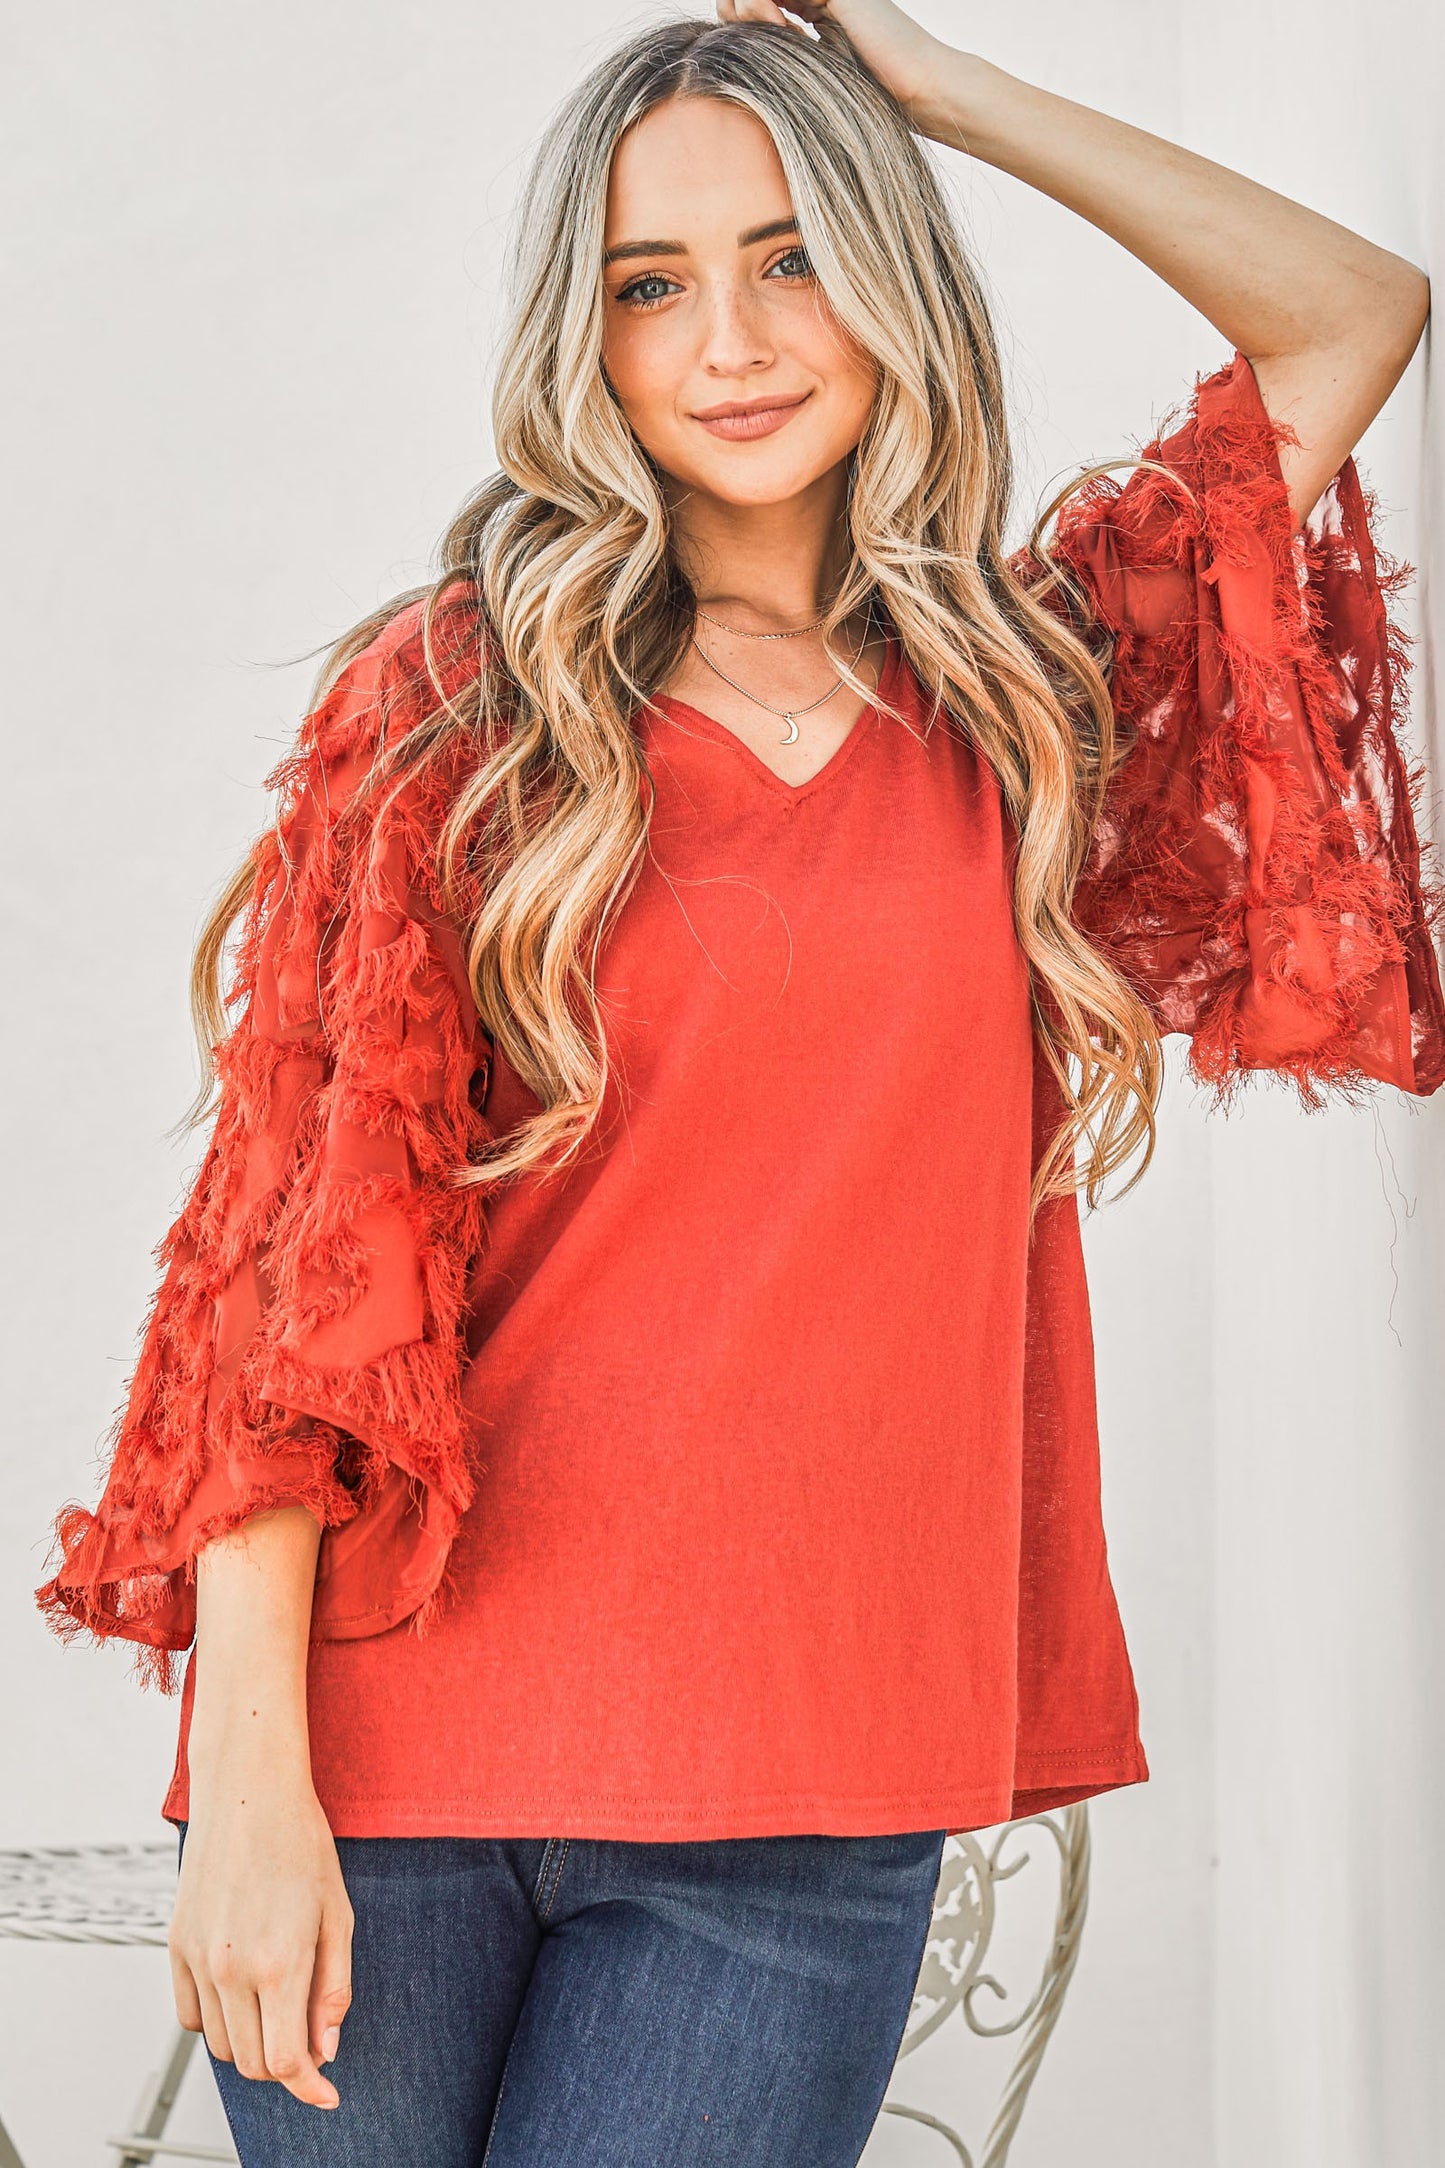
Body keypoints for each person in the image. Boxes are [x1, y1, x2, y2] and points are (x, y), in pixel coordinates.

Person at [34, 4, 1445, 2164]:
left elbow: (1349, 314)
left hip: (808, 1783)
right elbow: (286, 1271)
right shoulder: (458, 704)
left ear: (889, 269)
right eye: (650, 284)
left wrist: (938, 91)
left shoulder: (1031, 700)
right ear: (580, 339)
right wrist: (244, 1790)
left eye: (793, 255)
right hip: (392, 1765)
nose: (731, 340)